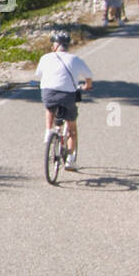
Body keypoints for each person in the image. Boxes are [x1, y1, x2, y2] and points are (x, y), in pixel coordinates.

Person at [35, 30, 93, 171]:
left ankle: (49, 131)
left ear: (54, 45)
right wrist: (87, 86)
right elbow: (89, 76)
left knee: (49, 107)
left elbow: (38, 75)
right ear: (67, 46)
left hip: (48, 92)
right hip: (68, 95)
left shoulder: (45, 58)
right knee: (72, 128)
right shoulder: (75, 59)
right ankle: (70, 160)